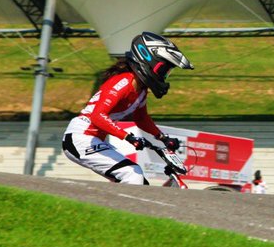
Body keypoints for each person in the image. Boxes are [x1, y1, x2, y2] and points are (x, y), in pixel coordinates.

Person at [61, 31, 193, 185]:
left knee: (141, 183)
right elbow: (98, 115)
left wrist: (163, 138)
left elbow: (141, 119)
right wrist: (127, 137)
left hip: (94, 139)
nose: (164, 77)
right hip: (81, 137)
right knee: (132, 174)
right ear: (149, 62)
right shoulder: (124, 82)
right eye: (164, 71)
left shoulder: (141, 91)